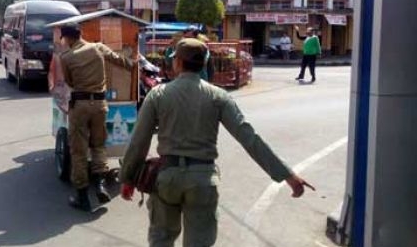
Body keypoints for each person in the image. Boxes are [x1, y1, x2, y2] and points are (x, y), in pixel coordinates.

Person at [119, 38, 314, 247]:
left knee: (161, 240)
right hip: (203, 181)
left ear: (178, 62)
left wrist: (128, 178)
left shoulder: (158, 94)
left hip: (167, 178)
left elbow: (139, 142)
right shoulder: (218, 96)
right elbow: (249, 138)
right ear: (204, 64)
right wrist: (288, 175)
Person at [59, 22, 134, 211]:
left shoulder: (66, 57)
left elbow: (69, 81)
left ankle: (82, 196)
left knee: (79, 150)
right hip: (101, 105)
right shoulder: (98, 47)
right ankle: (101, 184)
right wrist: (134, 61)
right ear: (81, 33)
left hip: (80, 105)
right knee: (99, 145)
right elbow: (121, 61)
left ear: (67, 38)